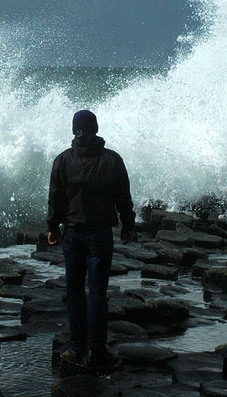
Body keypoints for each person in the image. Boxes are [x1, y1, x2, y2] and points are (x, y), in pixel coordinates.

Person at [48, 109, 135, 368]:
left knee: (74, 292)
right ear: (95, 128)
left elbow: (56, 199)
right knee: (98, 293)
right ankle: (96, 351)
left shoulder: (62, 160)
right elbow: (123, 197)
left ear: (75, 130)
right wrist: (128, 225)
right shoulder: (112, 160)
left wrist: (53, 227)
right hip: (100, 235)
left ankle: (77, 349)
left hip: (73, 234)